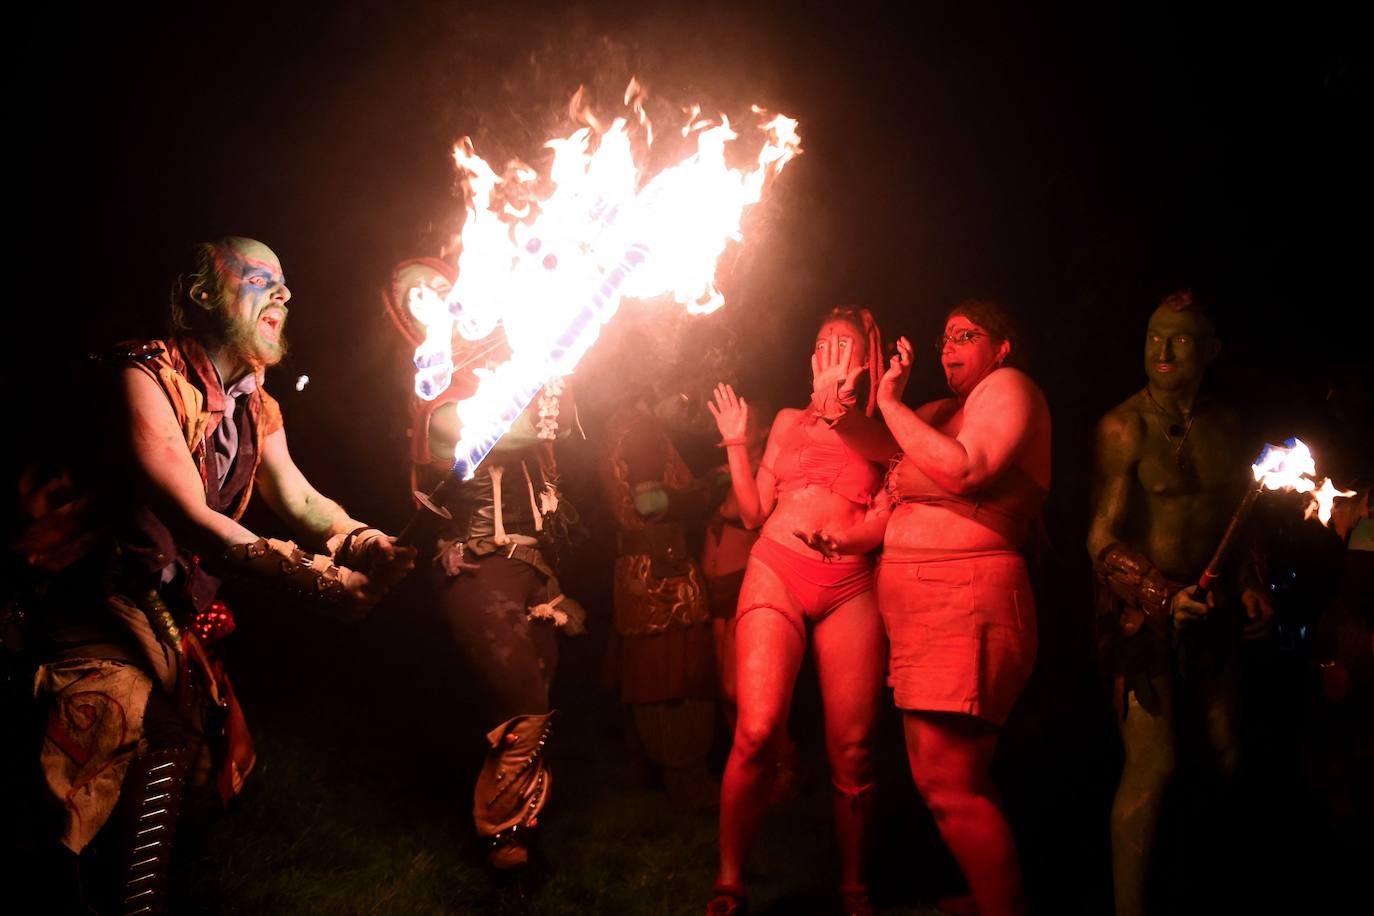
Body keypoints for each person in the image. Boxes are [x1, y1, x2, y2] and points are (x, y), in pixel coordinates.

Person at [12, 237, 415, 914]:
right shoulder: (145, 372)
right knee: (113, 752)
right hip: (92, 605)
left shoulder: (257, 401)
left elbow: (302, 499)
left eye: (286, 284)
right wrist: (317, 580)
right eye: (262, 280)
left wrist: (362, 541)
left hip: (166, 619)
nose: (283, 294)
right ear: (203, 295)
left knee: (179, 768)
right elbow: (189, 512)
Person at [803, 300, 1050, 916]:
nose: (948, 347)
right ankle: (998, 896)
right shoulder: (940, 411)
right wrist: (837, 405)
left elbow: (967, 470)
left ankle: (1005, 910)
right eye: (945, 338)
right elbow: (884, 448)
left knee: (947, 783)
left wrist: (887, 403)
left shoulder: (1009, 389)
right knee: (953, 776)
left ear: (1003, 347)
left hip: (966, 602)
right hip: (929, 614)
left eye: (967, 335)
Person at [387, 258, 585, 870]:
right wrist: (540, 376)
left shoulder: (506, 367)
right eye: (417, 296)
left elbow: (554, 432)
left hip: (533, 565)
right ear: (402, 314)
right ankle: (501, 834)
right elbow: (500, 434)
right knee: (522, 694)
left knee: (529, 701)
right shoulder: (433, 393)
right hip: (476, 565)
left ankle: (521, 828)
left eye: (444, 289)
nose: (434, 302)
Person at [1086, 291, 1274, 916]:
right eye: (1152, 337)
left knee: (1226, 754)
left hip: (1211, 605)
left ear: (1212, 351)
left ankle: (1207, 889)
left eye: (1180, 340)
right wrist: (1162, 596)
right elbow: (1100, 539)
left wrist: (1250, 584)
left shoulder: (1229, 428)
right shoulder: (1123, 427)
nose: (1161, 351)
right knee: (1153, 766)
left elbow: (1240, 522)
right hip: (1145, 613)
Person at [705, 306, 893, 916]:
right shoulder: (786, 420)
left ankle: (854, 886)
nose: (830, 353)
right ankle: (729, 881)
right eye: (821, 344)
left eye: (844, 345)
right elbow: (755, 510)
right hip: (778, 567)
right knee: (757, 730)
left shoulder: (883, 426)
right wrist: (737, 439)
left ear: (866, 359)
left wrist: (849, 541)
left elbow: (884, 510)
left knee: (855, 747)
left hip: (848, 586)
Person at [600, 390, 721, 811]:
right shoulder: (644, 430)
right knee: (673, 670)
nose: (685, 404)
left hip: (636, 567)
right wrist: (711, 487)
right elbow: (650, 502)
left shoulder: (618, 424)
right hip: (663, 575)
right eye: (680, 395)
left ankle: (650, 771)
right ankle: (686, 775)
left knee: (650, 667)